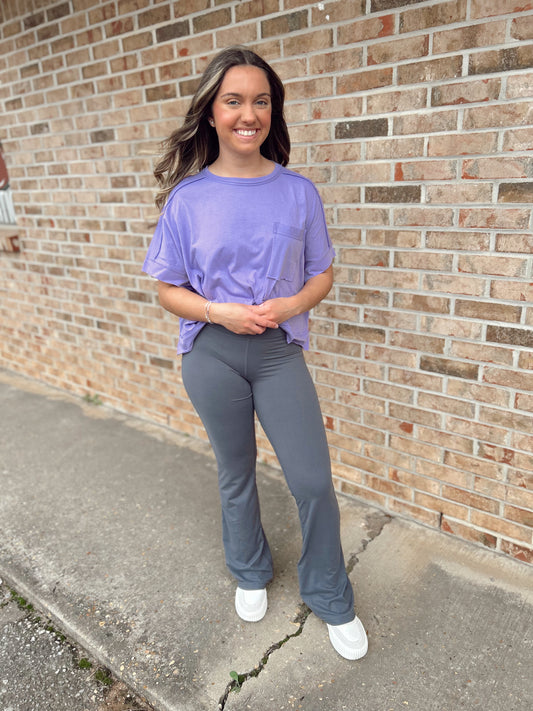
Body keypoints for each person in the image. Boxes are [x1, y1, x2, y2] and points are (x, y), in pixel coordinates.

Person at [142, 46, 368, 661]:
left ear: (274, 110)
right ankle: (249, 569)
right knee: (236, 470)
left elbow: (322, 273)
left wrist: (292, 304)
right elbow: (167, 289)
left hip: (276, 353)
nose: (249, 114)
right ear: (211, 112)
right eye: (234, 101)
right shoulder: (188, 199)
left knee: (312, 481)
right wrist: (220, 312)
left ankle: (329, 594)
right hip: (212, 352)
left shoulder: (298, 193)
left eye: (261, 101)